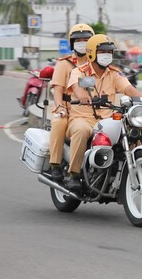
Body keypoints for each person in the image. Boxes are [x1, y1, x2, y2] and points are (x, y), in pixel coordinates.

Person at [65, 34, 142, 191]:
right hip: (83, 118)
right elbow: (76, 85)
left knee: (132, 133)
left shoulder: (114, 73)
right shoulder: (81, 71)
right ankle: (74, 174)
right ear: (92, 53)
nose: (107, 55)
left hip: (106, 119)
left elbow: (128, 88)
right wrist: (82, 95)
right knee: (81, 131)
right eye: (103, 51)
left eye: (110, 52)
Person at [48, 23, 95, 181]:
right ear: (72, 43)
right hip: (67, 107)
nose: (82, 43)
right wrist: (60, 106)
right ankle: (55, 164)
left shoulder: (96, 65)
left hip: (89, 111)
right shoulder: (64, 64)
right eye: (78, 40)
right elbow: (58, 90)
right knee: (60, 122)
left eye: (86, 40)